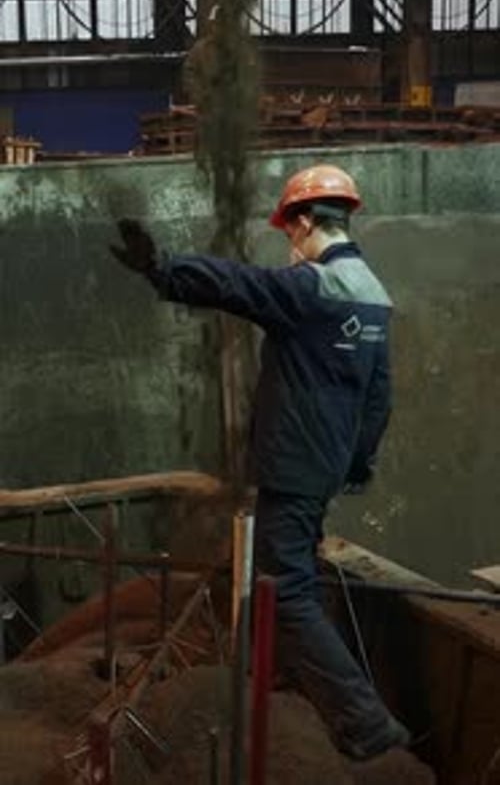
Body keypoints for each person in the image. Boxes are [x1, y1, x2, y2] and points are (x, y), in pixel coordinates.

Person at [109, 163, 410, 761]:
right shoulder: (375, 296)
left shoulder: (308, 290)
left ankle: (366, 724)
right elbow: (378, 397)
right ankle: (271, 669)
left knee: (285, 587)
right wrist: (355, 465)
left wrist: (162, 269)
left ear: (302, 224)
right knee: (293, 567)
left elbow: (236, 285)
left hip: (293, 465)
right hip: (323, 465)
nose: (289, 244)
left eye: (288, 231)